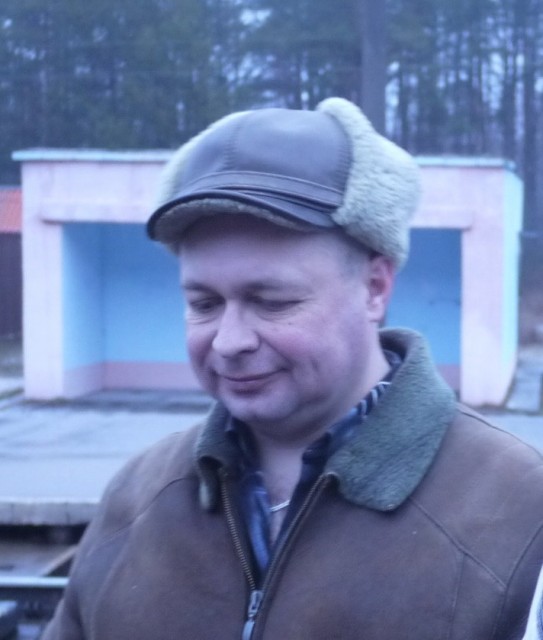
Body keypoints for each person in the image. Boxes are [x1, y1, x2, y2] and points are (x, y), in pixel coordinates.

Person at [43, 98, 543, 640]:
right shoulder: (135, 497)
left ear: (375, 288)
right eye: (204, 303)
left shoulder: (522, 513)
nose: (229, 341)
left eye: (272, 302)